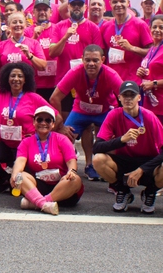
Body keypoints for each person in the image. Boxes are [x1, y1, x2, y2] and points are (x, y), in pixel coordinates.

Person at [93, 81, 163, 213]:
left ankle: (149, 192)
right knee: (98, 159)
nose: (128, 99)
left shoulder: (149, 116)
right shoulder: (114, 115)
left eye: (131, 95)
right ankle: (123, 190)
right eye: (124, 95)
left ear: (138, 97)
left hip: (148, 162)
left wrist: (142, 169)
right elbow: (97, 147)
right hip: (124, 160)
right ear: (119, 98)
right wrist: (122, 140)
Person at [49, 45, 124, 180]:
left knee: (115, 138)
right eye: (87, 60)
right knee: (63, 137)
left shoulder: (110, 74)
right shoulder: (75, 72)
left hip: (104, 111)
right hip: (81, 110)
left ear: (102, 60)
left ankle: (113, 176)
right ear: (82, 59)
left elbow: (125, 97)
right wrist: (60, 126)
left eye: (95, 60)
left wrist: (121, 120)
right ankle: (77, 167)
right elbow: (54, 98)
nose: (91, 64)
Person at [0, 62, 60, 192]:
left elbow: (57, 117)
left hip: (26, 147)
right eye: (13, 76)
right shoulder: (1, 95)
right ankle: (5, 178)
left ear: (25, 79)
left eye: (20, 76)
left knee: (23, 179)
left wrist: (41, 136)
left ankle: (16, 184)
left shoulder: (34, 98)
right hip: (6, 145)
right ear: (7, 78)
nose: (16, 79)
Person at [11, 106, 83, 214]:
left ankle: (38, 203)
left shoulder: (62, 139)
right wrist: (15, 175)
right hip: (39, 187)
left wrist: (71, 171)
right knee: (19, 176)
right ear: (34, 122)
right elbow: (20, 162)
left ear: (53, 124)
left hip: (62, 188)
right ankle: (44, 204)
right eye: (39, 119)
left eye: (48, 120)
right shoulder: (26, 142)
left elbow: (71, 161)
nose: (43, 123)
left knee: (76, 180)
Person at [48, 0, 101, 116]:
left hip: (86, 81)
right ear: (69, 7)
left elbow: (99, 56)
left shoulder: (93, 28)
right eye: (73, 5)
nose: (76, 7)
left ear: (85, 8)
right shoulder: (59, 26)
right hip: (64, 78)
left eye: (80, 5)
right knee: (65, 117)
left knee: (86, 121)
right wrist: (65, 37)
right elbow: (52, 53)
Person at [100, 0, 152, 82]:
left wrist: (131, 48)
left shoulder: (140, 25)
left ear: (128, 3)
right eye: (115, 2)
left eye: (122, 1)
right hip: (111, 80)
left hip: (133, 80)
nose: (118, 5)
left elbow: (152, 52)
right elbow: (102, 54)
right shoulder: (105, 26)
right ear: (110, 4)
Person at [135, 15, 163, 126]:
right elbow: (152, 70)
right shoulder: (153, 48)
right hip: (149, 100)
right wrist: (141, 72)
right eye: (154, 27)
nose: (157, 30)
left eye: (161, 27)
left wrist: (154, 84)